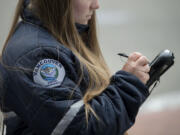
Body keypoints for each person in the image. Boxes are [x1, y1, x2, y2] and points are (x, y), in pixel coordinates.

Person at [0, 0, 150, 135]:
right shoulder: (38, 55)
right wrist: (127, 87)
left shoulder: (52, 39)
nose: (96, 5)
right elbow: (79, 128)